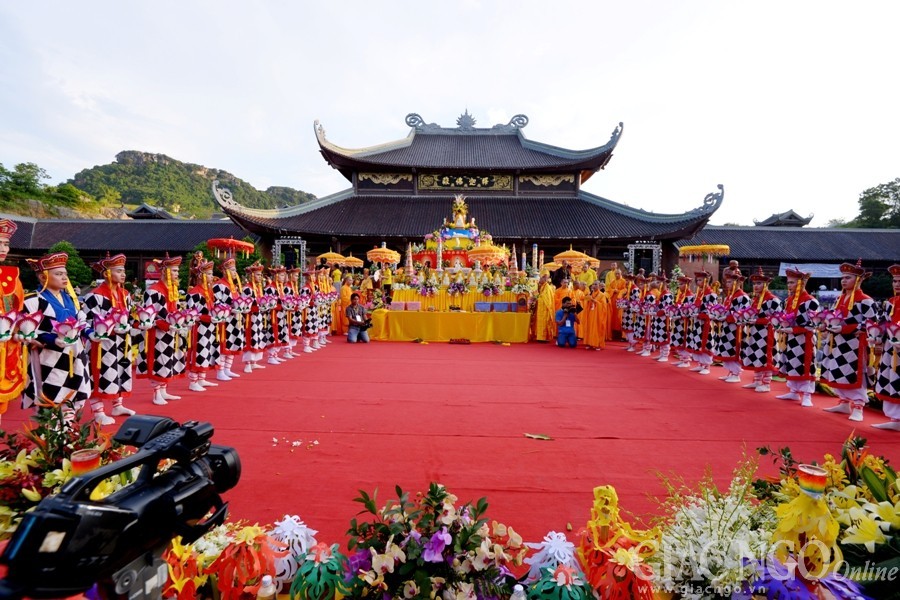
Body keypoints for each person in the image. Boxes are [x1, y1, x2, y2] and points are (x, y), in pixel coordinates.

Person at [22, 252, 92, 419]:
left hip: (75, 351)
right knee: (50, 392)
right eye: (59, 274)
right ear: (42, 277)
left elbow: (81, 319)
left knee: (75, 390)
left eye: (65, 274)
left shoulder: (70, 298)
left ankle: (67, 427)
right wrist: (51, 339)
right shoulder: (32, 300)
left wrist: (91, 333)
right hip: (47, 355)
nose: (64, 278)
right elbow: (26, 330)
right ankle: (52, 429)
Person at [821, 260, 879, 422]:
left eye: (848, 278)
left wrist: (845, 329)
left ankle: (859, 407)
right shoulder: (839, 298)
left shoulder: (866, 300)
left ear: (858, 279)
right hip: (837, 341)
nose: (843, 281)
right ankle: (844, 402)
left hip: (855, 343)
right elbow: (832, 316)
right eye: (842, 278)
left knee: (854, 373)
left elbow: (871, 323)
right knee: (838, 370)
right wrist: (824, 324)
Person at [82, 253, 136, 424]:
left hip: (122, 340)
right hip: (102, 343)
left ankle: (117, 405)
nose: (123, 274)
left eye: (123, 271)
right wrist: (101, 331)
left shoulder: (125, 294)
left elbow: (131, 316)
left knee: (121, 370)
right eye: (118, 271)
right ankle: (98, 412)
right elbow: (86, 321)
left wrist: (131, 324)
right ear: (107, 273)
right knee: (100, 373)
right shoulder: (94, 295)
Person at [136, 253, 185, 405]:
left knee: (168, 358)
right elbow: (150, 315)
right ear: (165, 271)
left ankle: (163, 390)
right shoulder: (153, 290)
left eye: (177, 271)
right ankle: (156, 392)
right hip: (156, 332)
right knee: (158, 359)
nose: (177, 274)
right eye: (174, 271)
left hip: (170, 330)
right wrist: (168, 325)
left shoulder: (172, 289)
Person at [775, 267, 820, 407]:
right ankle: (793, 391)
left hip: (805, 339)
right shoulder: (788, 300)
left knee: (805, 363)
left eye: (792, 282)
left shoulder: (811, 301)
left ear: (802, 283)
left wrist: (793, 329)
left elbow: (813, 325)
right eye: (788, 282)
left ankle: (807, 395)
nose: (789, 285)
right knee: (791, 362)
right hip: (789, 337)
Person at [0, 219, 26, 425]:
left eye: (6, 244)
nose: (3, 249)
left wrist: (20, 329)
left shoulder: (11, 276)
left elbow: (17, 310)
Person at [741, 268, 782, 393]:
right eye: (754, 283)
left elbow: (777, 318)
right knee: (756, 354)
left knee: (766, 356)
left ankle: (766, 383)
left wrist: (757, 321)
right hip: (754, 331)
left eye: (759, 283)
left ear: (766, 284)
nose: (756, 286)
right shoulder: (756, 299)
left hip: (767, 332)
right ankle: (757, 380)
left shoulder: (773, 300)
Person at [185, 259, 222, 391]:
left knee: (207, 350)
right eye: (209, 274)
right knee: (199, 351)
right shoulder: (195, 292)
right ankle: (193, 381)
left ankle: (202, 378)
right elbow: (192, 314)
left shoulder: (209, 291)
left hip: (210, 326)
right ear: (202, 276)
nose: (212, 276)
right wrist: (209, 318)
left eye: (212, 273)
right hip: (199, 327)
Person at [872, 264, 900, 430]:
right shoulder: (890, 302)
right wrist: (876, 336)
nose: (896, 284)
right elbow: (883, 322)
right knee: (890, 379)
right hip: (891, 347)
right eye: (894, 281)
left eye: (899, 281)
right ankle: (895, 418)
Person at [712, 262, 750, 383]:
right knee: (727, 348)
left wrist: (726, 317)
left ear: (738, 282)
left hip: (736, 328)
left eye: (730, 282)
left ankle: (736, 373)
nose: (727, 284)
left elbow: (743, 314)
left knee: (734, 348)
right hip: (727, 326)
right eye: (727, 282)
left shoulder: (743, 296)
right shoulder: (730, 296)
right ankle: (731, 371)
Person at [213, 257, 245, 380]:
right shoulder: (219, 285)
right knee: (224, 344)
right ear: (225, 271)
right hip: (225, 319)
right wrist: (230, 309)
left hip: (235, 318)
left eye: (235, 270)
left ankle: (227, 368)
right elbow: (217, 303)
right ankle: (220, 371)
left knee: (233, 342)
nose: (235, 272)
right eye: (232, 270)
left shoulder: (233, 286)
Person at [688, 270, 717, 375]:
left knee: (706, 342)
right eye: (697, 280)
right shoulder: (699, 293)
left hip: (706, 322)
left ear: (706, 280)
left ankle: (707, 366)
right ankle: (700, 364)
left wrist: (700, 314)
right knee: (697, 341)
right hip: (697, 321)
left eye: (700, 280)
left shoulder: (711, 294)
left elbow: (712, 310)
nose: (698, 282)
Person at [241, 262, 267, 372]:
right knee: (250, 338)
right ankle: (247, 363)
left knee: (258, 337)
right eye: (258, 274)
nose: (260, 277)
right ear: (252, 275)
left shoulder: (258, 288)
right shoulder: (247, 288)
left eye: (261, 274)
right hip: (250, 317)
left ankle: (254, 362)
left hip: (258, 316)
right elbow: (244, 305)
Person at [670, 275, 695, 368]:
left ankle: (686, 360)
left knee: (685, 339)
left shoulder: (690, 296)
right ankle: (681, 359)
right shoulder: (680, 295)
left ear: (687, 285)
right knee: (678, 339)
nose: (679, 286)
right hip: (678, 321)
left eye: (681, 284)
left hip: (686, 322)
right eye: (679, 284)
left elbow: (690, 310)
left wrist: (681, 315)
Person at [649, 272, 674, 361]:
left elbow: (668, 307)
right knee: (659, 335)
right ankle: (661, 354)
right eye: (657, 282)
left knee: (664, 336)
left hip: (664, 319)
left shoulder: (667, 294)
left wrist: (658, 312)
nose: (657, 284)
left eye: (659, 282)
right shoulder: (661, 294)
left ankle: (665, 355)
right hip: (658, 318)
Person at [582, 281, 608, 349]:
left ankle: (597, 344)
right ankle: (589, 343)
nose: (594, 285)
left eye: (596, 284)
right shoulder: (590, 294)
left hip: (598, 315)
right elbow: (585, 301)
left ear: (599, 286)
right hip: (590, 313)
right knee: (589, 328)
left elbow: (604, 306)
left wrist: (594, 301)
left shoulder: (602, 295)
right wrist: (588, 300)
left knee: (597, 329)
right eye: (593, 284)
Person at [533, 273, 556, 342]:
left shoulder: (547, 288)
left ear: (545, 279)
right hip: (541, 309)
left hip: (545, 309)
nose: (539, 280)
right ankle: (540, 337)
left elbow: (547, 299)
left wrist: (537, 297)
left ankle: (544, 337)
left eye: (541, 278)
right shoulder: (543, 286)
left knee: (544, 323)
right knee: (540, 322)